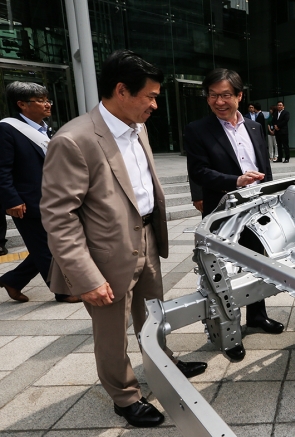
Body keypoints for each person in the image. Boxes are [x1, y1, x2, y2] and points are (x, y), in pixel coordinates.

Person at [40, 50, 207, 428]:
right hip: (103, 257)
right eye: (149, 96)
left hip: (145, 236)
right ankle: (125, 396)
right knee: (112, 333)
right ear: (121, 90)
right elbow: (58, 216)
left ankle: (164, 366)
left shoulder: (138, 127)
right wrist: (86, 278)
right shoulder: (74, 140)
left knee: (154, 314)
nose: (154, 104)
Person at [184, 68, 285, 363]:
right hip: (224, 208)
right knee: (223, 272)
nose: (219, 101)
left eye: (226, 94)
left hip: (257, 208)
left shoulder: (254, 127)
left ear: (239, 96)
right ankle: (227, 331)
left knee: (259, 261)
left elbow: (263, 164)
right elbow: (199, 171)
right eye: (213, 95)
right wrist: (235, 181)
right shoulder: (198, 129)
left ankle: (257, 316)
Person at [0, 81, 80, 304]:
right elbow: (2, 168)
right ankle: (62, 291)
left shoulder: (45, 128)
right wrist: (11, 199)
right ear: (21, 105)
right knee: (45, 247)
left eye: (48, 100)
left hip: (53, 198)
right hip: (26, 201)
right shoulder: (7, 129)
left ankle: (13, 280)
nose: (48, 105)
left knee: (48, 244)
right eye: (41, 100)